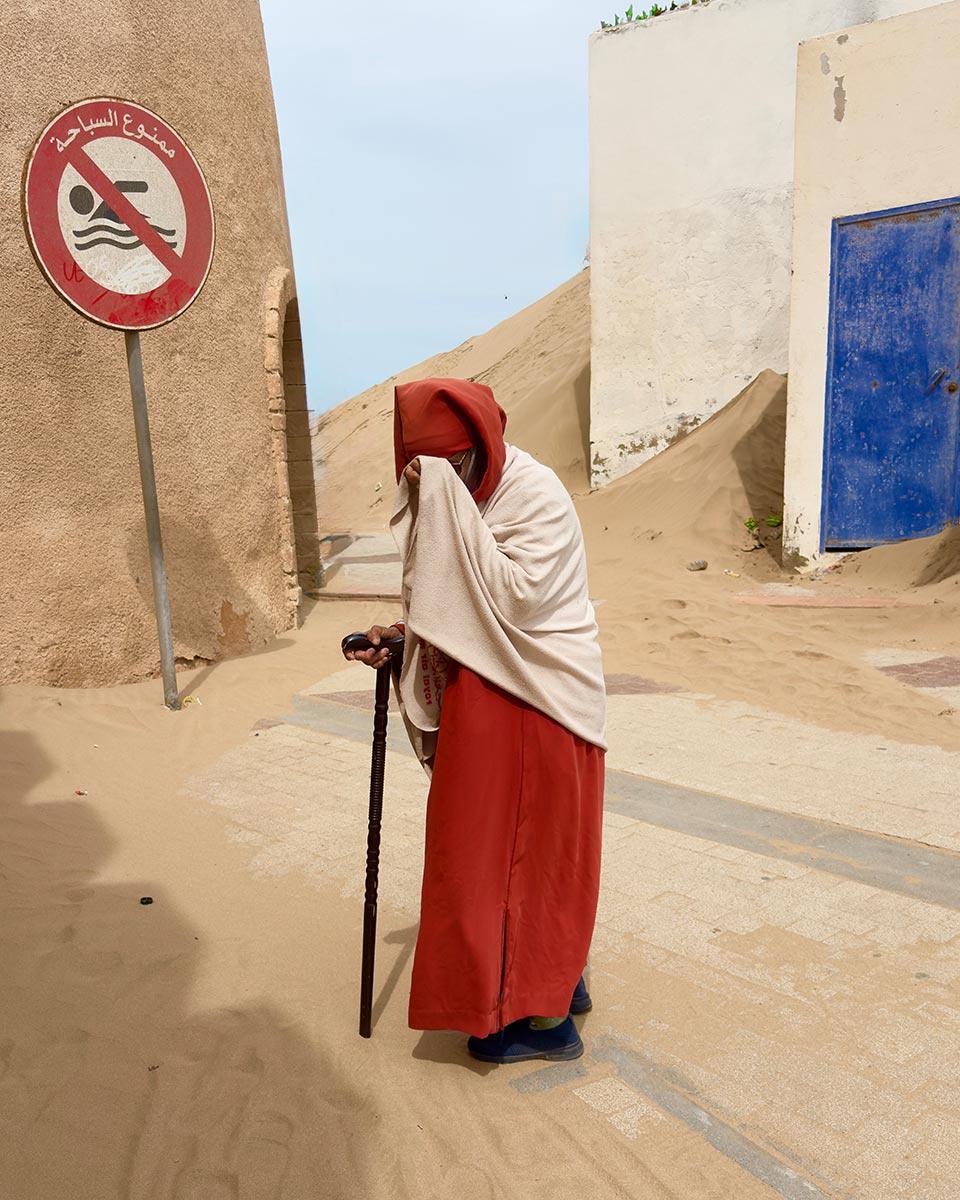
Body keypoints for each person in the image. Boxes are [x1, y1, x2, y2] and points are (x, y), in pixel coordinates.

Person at [343, 377, 606, 1064]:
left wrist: (446, 507)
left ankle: (542, 1021)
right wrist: (404, 640)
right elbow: (455, 606)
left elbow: (515, 601)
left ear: (484, 443)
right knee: (481, 861)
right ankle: (550, 984)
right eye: (423, 470)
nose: (444, 482)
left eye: (456, 464)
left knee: (528, 862)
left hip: (542, 700)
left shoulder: (534, 493)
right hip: (486, 700)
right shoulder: (455, 494)